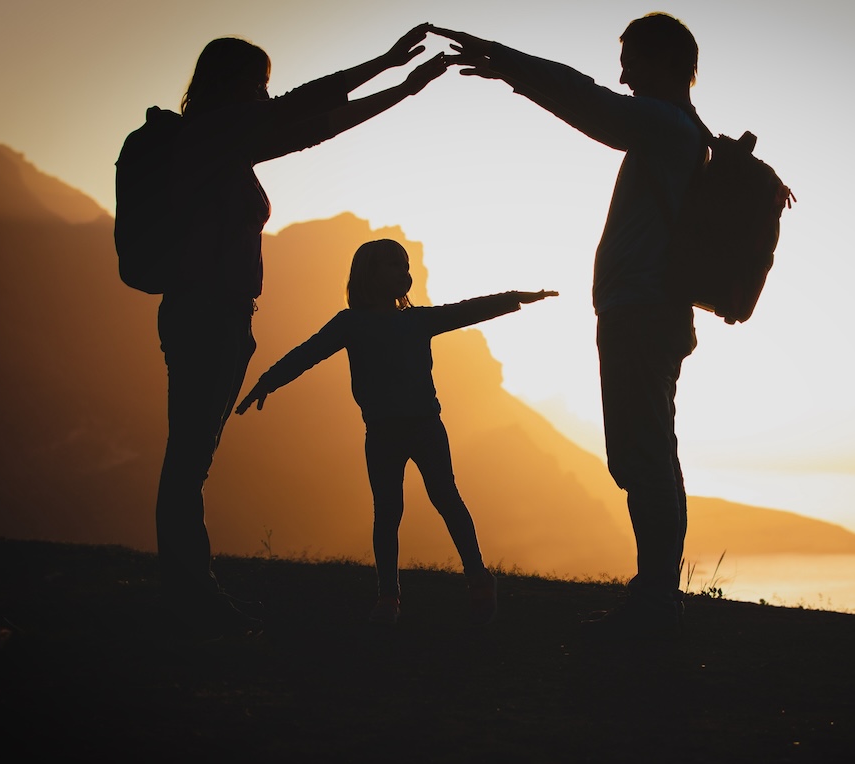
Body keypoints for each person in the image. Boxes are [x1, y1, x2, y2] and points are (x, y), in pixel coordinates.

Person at [147, 26, 451, 638]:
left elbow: (303, 112)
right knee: (188, 462)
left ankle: (188, 590)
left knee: (191, 457)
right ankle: (190, 596)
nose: (266, 97)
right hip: (205, 316)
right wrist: (396, 79)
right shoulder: (211, 138)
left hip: (217, 315)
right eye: (256, 86)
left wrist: (391, 70)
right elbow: (308, 118)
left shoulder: (218, 144)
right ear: (227, 86)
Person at [429, 14, 707, 635]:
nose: (624, 73)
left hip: (643, 311)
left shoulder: (664, 125)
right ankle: (657, 593)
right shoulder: (687, 132)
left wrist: (508, 64)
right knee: (651, 453)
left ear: (665, 62)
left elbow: (593, 106)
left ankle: (656, 601)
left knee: (642, 456)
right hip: (650, 312)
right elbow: (599, 102)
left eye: (632, 59)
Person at [235, 239, 557, 626]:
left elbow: (468, 311)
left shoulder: (417, 320)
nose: (404, 273)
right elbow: (308, 353)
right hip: (382, 433)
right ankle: (388, 597)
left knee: (445, 497)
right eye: (393, 265)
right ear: (369, 274)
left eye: (406, 266)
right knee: (388, 511)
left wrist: (516, 298)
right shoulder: (350, 324)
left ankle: (477, 577)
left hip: (426, 427)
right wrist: (268, 381)